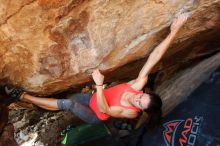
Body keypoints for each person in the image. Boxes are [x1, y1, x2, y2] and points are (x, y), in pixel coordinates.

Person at [5, 13, 188, 129]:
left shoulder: (130, 113)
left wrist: (100, 85)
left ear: (140, 110)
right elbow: (153, 58)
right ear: (144, 92)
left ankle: (23, 97)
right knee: (66, 101)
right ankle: (38, 105)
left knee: (69, 105)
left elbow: (105, 108)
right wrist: (174, 31)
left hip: (95, 114)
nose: (136, 98)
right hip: (90, 98)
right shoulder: (137, 86)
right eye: (141, 96)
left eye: (139, 103)